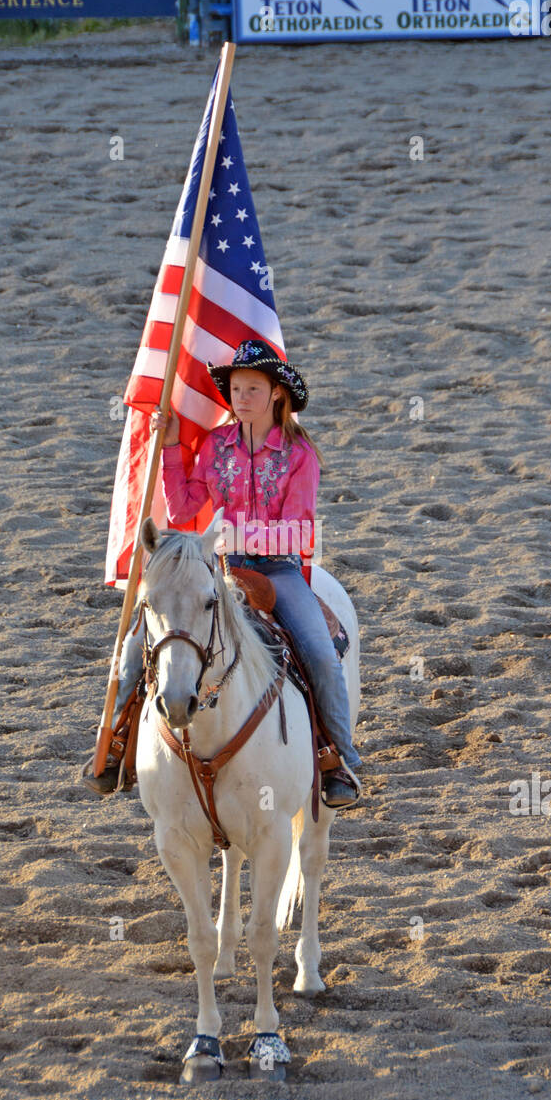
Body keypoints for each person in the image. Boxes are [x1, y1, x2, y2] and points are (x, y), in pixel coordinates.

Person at [88, 339, 363, 807]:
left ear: (277, 393)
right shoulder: (216, 446)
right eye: (236, 389)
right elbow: (184, 506)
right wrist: (172, 446)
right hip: (218, 568)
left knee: (318, 652)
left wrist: (237, 536)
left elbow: (299, 532)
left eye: (253, 388)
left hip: (278, 574)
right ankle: (114, 747)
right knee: (140, 637)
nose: (242, 398)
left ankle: (340, 759)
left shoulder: (300, 455)